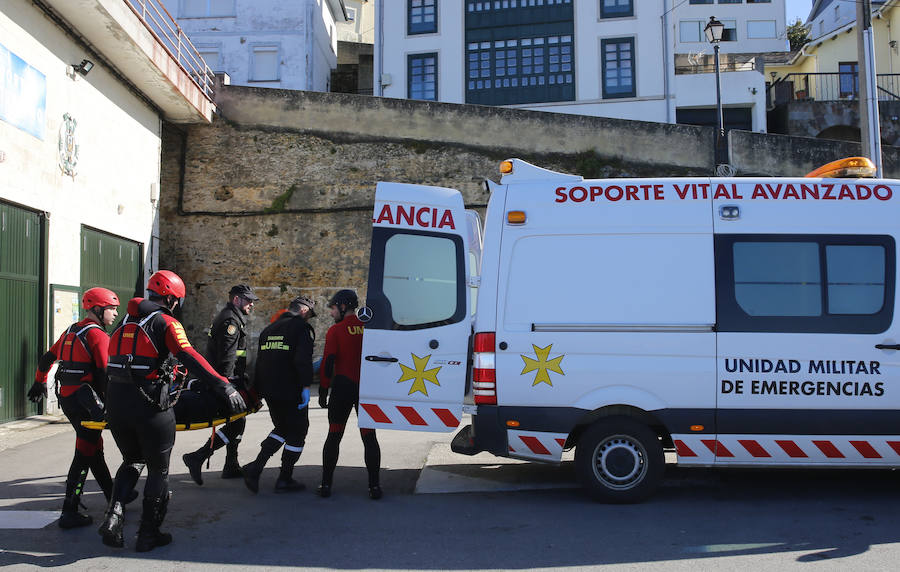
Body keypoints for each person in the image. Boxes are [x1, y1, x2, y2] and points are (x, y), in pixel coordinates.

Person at [98, 270, 245, 552]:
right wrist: (223, 385)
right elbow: (188, 355)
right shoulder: (165, 322)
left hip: (116, 403)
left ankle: (114, 517)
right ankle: (148, 535)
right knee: (158, 469)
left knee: (131, 461)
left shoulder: (123, 323)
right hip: (149, 404)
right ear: (171, 299)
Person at [28, 287, 124, 528]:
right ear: (97, 309)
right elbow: (104, 372)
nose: (115, 313)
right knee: (84, 453)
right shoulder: (98, 335)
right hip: (87, 403)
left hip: (69, 399)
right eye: (112, 309)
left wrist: (39, 382)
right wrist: (112, 404)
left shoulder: (72, 331)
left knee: (93, 447)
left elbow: (47, 357)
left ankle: (113, 496)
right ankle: (69, 510)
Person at [183, 284, 260, 485]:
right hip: (225, 381)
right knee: (237, 419)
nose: (251, 304)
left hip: (225, 380)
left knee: (237, 420)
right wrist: (227, 387)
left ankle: (230, 464)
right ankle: (198, 457)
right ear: (236, 300)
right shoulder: (230, 321)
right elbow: (227, 357)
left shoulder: (231, 317)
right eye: (248, 300)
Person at [242, 295, 316, 494]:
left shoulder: (269, 329)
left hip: (270, 390)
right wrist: (306, 387)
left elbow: (260, 361)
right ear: (303, 311)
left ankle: (256, 469)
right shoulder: (301, 328)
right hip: (291, 390)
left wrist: (257, 390)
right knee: (298, 432)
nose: (309, 319)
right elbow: (303, 360)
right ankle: (284, 478)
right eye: (309, 315)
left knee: (282, 428)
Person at [316, 289, 381, 500]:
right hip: (367, 389)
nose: (331, 313)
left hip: (343, 388)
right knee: (369, 437)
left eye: (333, 308)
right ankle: (374, 487)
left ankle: (326, 484)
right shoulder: (369, 328)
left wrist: (324, 390)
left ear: (343, 306)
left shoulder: (336, 331)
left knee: (334, 435)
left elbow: (328, 363)